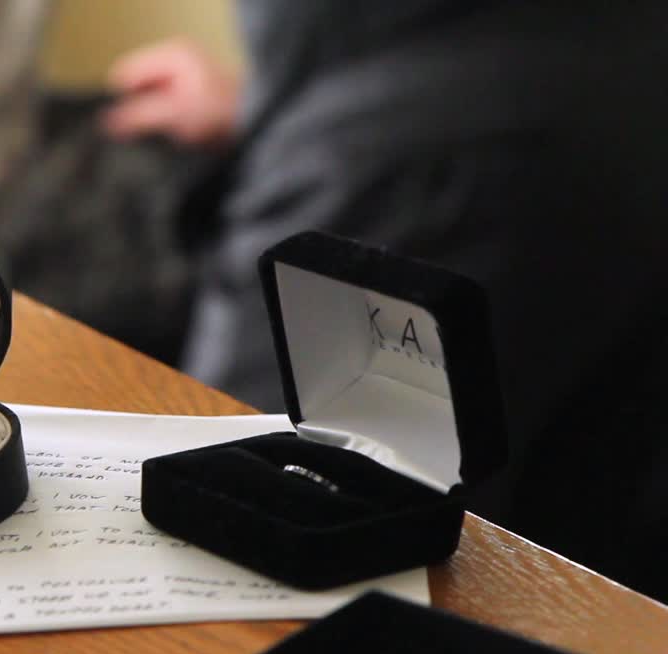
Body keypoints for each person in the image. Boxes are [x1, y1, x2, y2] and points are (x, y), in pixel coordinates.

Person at [103, 2, 668, 600]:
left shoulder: (418, 166)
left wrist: (333, 134)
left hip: (504, 600)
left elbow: (235, 458)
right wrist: (275, 110)